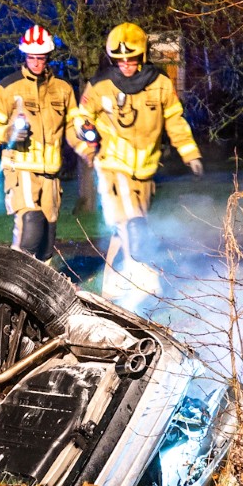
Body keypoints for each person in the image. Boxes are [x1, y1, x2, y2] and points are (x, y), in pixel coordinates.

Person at [71, 22, 203, 305]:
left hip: (145, 170)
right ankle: (141, 276)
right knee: (131, 222)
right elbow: (81, 117)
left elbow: (175, 121)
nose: (126, 65)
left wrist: (190, 153)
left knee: (126, 226)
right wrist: (87, 137)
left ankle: (113, 282)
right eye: (120, 60)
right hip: (112, 165)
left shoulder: (161, 85)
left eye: (131, 59)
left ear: (141, 56)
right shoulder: (100, 85)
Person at [0, 24, 77, 261]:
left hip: (51, 173)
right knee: (30, 227)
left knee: (47, 239)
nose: (35, 63)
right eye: (31, 57)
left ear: (48, 57)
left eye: (41, 58)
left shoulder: (63, 90)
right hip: (21, 168)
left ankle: (40, 290)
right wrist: (8, 132)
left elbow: (74, 125)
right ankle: (12, 283)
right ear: (24, 56)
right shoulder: (8, 87)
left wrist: (86, 140)